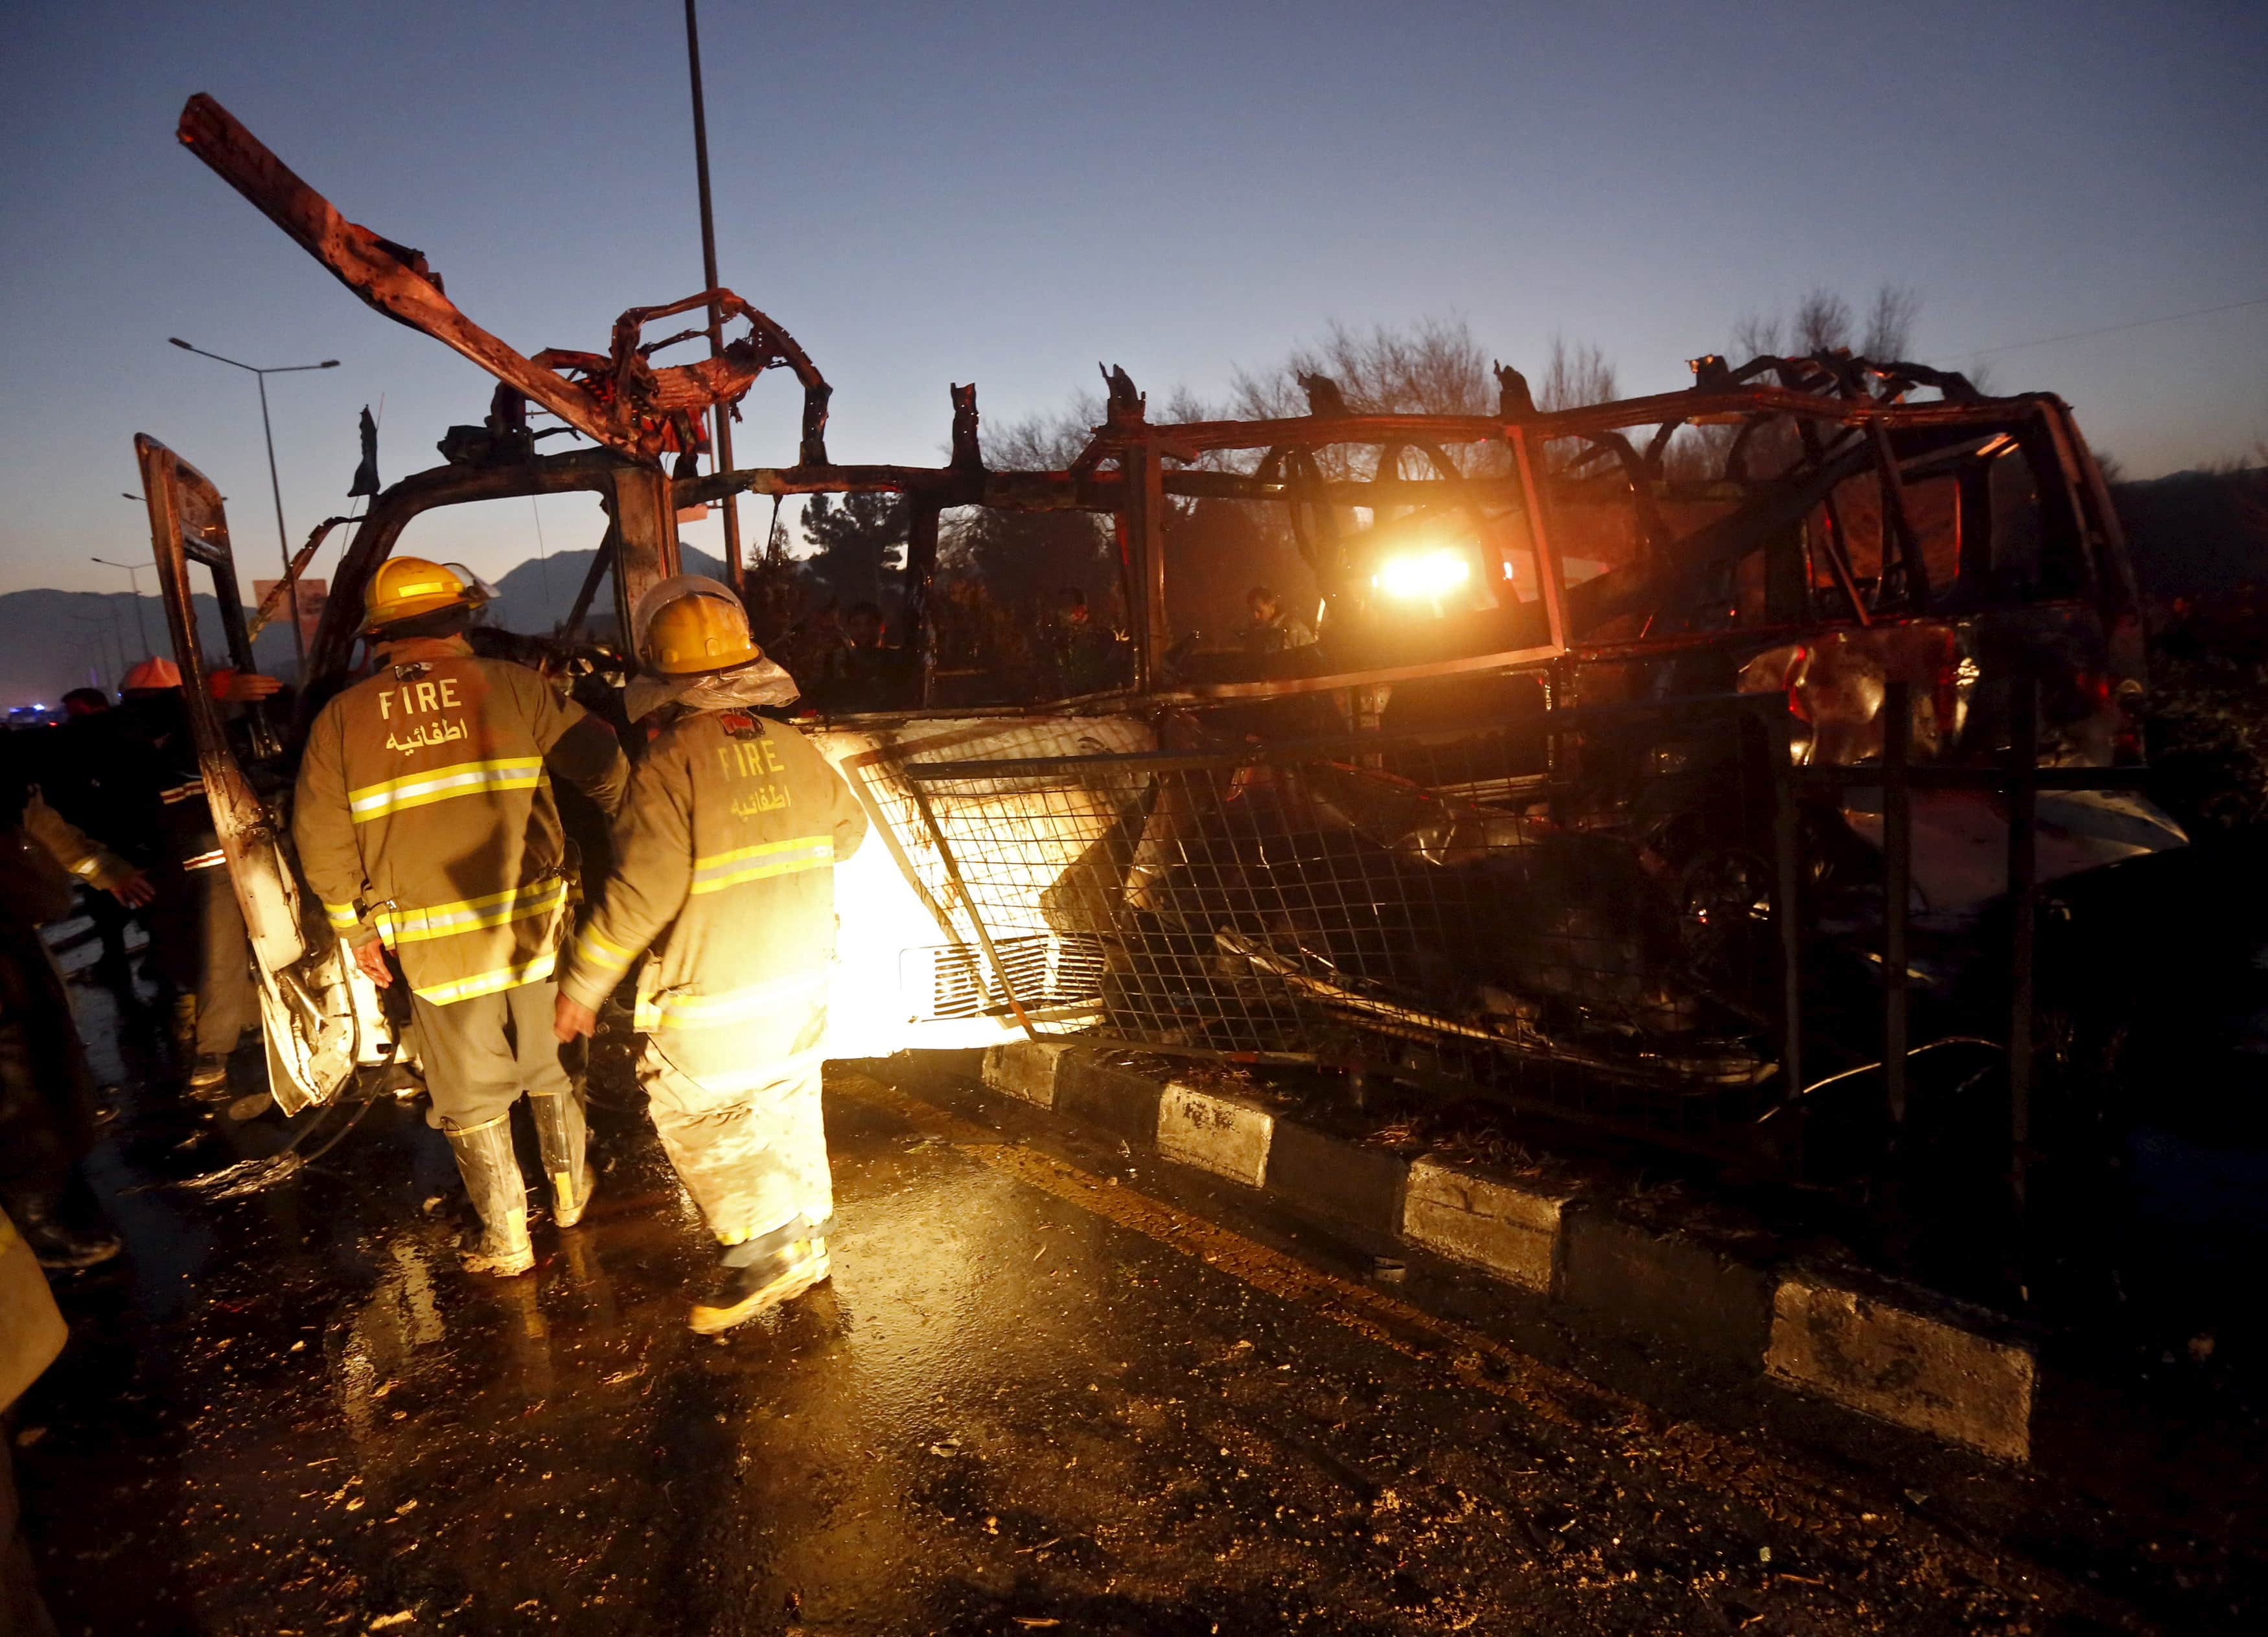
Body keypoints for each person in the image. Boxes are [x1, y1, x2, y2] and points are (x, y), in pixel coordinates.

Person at [294, 558, 628, 1277]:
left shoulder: (342, 719)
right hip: (533, 929)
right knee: (549, 1066)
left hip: (434, 949)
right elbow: (602, 767)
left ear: (379, 635)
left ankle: (508, 1239)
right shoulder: (516, 687)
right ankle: (571, 1202)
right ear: (460, 618)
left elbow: (321, 842)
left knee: (470, 1089)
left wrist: (354, 929)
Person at [553, 578, 867, 1333]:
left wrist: (584, 987)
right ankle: (808, 1243)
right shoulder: (794, 746)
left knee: (694, 1107)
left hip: (715, 993)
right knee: (786, 1097)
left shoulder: (668, 768)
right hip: (802, 979)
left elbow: (639, 894)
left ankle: (766, 1249)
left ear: (662, 683)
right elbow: (849, 832)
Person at [1, 732, 149, 1270]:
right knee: (18, 1090)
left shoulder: (14, 789)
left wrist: (103, 870)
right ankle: (37, 1226)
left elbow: (43, 836)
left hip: (14, 946)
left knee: (36, 1067)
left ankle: (48, 1205)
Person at [101, 657, 279, 1096]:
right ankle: (216, 1045)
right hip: (205, 861)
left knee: (219, 953)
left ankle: (234, 1031)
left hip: (204, 859)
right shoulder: (161, 742)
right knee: (216, 953)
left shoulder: (152, 742)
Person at [1242, 585, 1317, 656]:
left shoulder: (1294, 629)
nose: (1256, 616)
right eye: (1252, 611)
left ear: (1272, 606)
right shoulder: (1253, 633)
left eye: (1260, 611)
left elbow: (1310, 660)